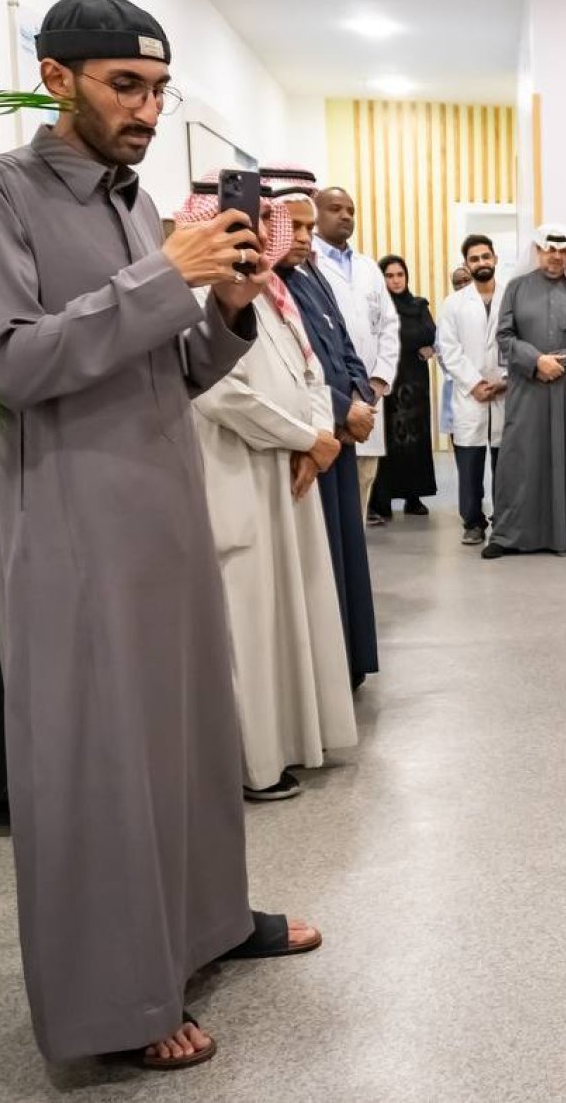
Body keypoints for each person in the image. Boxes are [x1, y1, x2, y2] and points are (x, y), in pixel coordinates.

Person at [0, 0, 319, 1072]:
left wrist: (229, 307)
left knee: (188, 733)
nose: (147, 109)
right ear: (57, 78)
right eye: (125, 86)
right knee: (102, 759)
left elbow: (172, 369)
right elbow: (14, 363)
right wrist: (169, 273)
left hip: (165, 508)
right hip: (77, 526)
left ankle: (206, 926)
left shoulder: (133, 200)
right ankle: (115, 1005)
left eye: (158, 89)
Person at [182, 181, 359, 800]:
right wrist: (306, 438)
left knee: (295, 613)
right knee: (251, 625)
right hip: (242, 474)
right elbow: (217, 393)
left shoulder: (273, 289)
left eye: (263, 222)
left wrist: (317, 437)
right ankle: (255, 766)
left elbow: (311, 370)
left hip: (291, 471)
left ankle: (297, 742)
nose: (255, 234)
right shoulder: (199, 293)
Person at [275, 181, 381, 688]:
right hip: (309, 435)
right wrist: (343, 410)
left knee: (345, 552)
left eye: (307, 228)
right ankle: (326, 672)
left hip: (340, 431)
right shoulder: (267, 285)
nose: (302, 237)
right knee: (322, 561)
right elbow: (296, 368)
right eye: (292, 226)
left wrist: (361, 396)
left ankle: (349, 663)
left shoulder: (310, 275)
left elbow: (344, 344)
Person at [484, 224, 566, 559]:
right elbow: (504, 336)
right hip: (527, 387)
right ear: (538, 250)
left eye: (563, 251)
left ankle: (565, 536)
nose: (556, 256)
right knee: (519, 458)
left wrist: (559, 361)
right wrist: (536, 361)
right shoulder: (517, 288)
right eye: (550, 249)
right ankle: (507, 536)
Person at [313, 186, 400, 523]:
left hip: (369, 399)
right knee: (325, 501)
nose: (346, 216)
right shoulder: (309, 264)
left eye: (350, 210)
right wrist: (346, 399)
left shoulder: (368, 268)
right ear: (316, 213)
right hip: (328, 399)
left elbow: (388, 326)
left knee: (362, 485)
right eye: (335, 208)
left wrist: (376, 383)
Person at [438, 234, 508, 545]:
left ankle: (503, 519)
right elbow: (448, 349)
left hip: (505, 390)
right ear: (466, 264)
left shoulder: (511, 297)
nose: (481, 263)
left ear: (495, 259)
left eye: (485, 257)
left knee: (505, 464)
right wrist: (475, 383)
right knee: (469, 465)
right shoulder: (453, 303)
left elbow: (519, 341)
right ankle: (473, 522)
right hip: (470, 394)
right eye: (474, 259)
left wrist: (505, 380)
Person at [369, 255, 438, 519]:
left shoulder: (419, 305)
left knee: (415, 440)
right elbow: (394, 339)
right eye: (389, 276)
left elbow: (431, 334)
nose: (396, 280)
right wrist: (417, 343)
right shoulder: (378, 308)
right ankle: (382, 500)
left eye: (400, 275)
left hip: (415, 384)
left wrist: (430, 347)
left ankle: (413, 497)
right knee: (388, 440)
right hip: (388, 381)